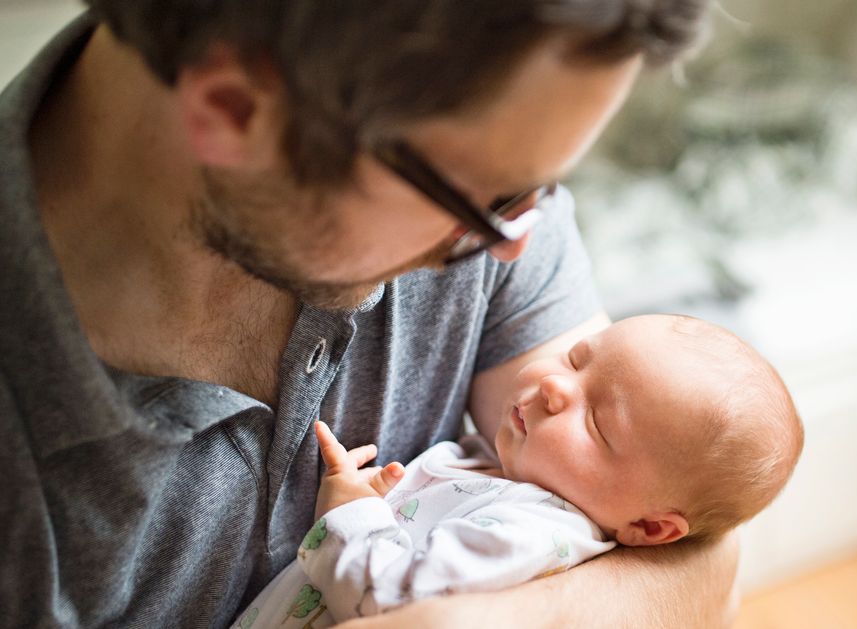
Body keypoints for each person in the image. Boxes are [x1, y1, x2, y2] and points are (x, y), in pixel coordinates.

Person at [0, 1, 747, 628]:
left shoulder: (460, 178)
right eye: (492, 201)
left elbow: (701, 547)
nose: (514, 245)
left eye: (534, 194)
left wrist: (467, 622)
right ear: (234, 113)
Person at [234, 314, 803, 628]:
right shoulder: (512, 467)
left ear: (651, 528)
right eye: (579, 358)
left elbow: (392, 601)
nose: (556, 386)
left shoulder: (536, 533)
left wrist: (351, 514)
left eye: (600, 423)